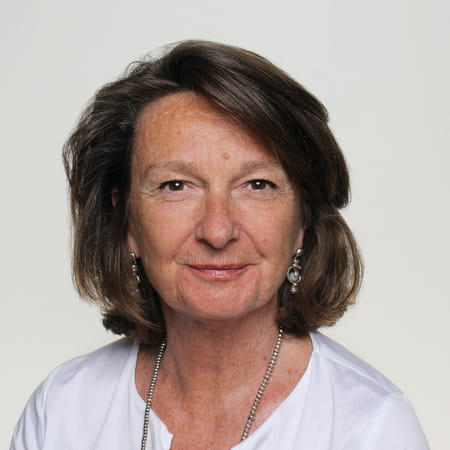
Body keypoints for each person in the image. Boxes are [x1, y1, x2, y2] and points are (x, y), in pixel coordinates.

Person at [10, 40, 429, 449]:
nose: (217, 230)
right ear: (127, 220)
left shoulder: (372, 429)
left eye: (257, 185)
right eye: (176, 186)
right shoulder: (61, 412)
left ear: (303, 217)